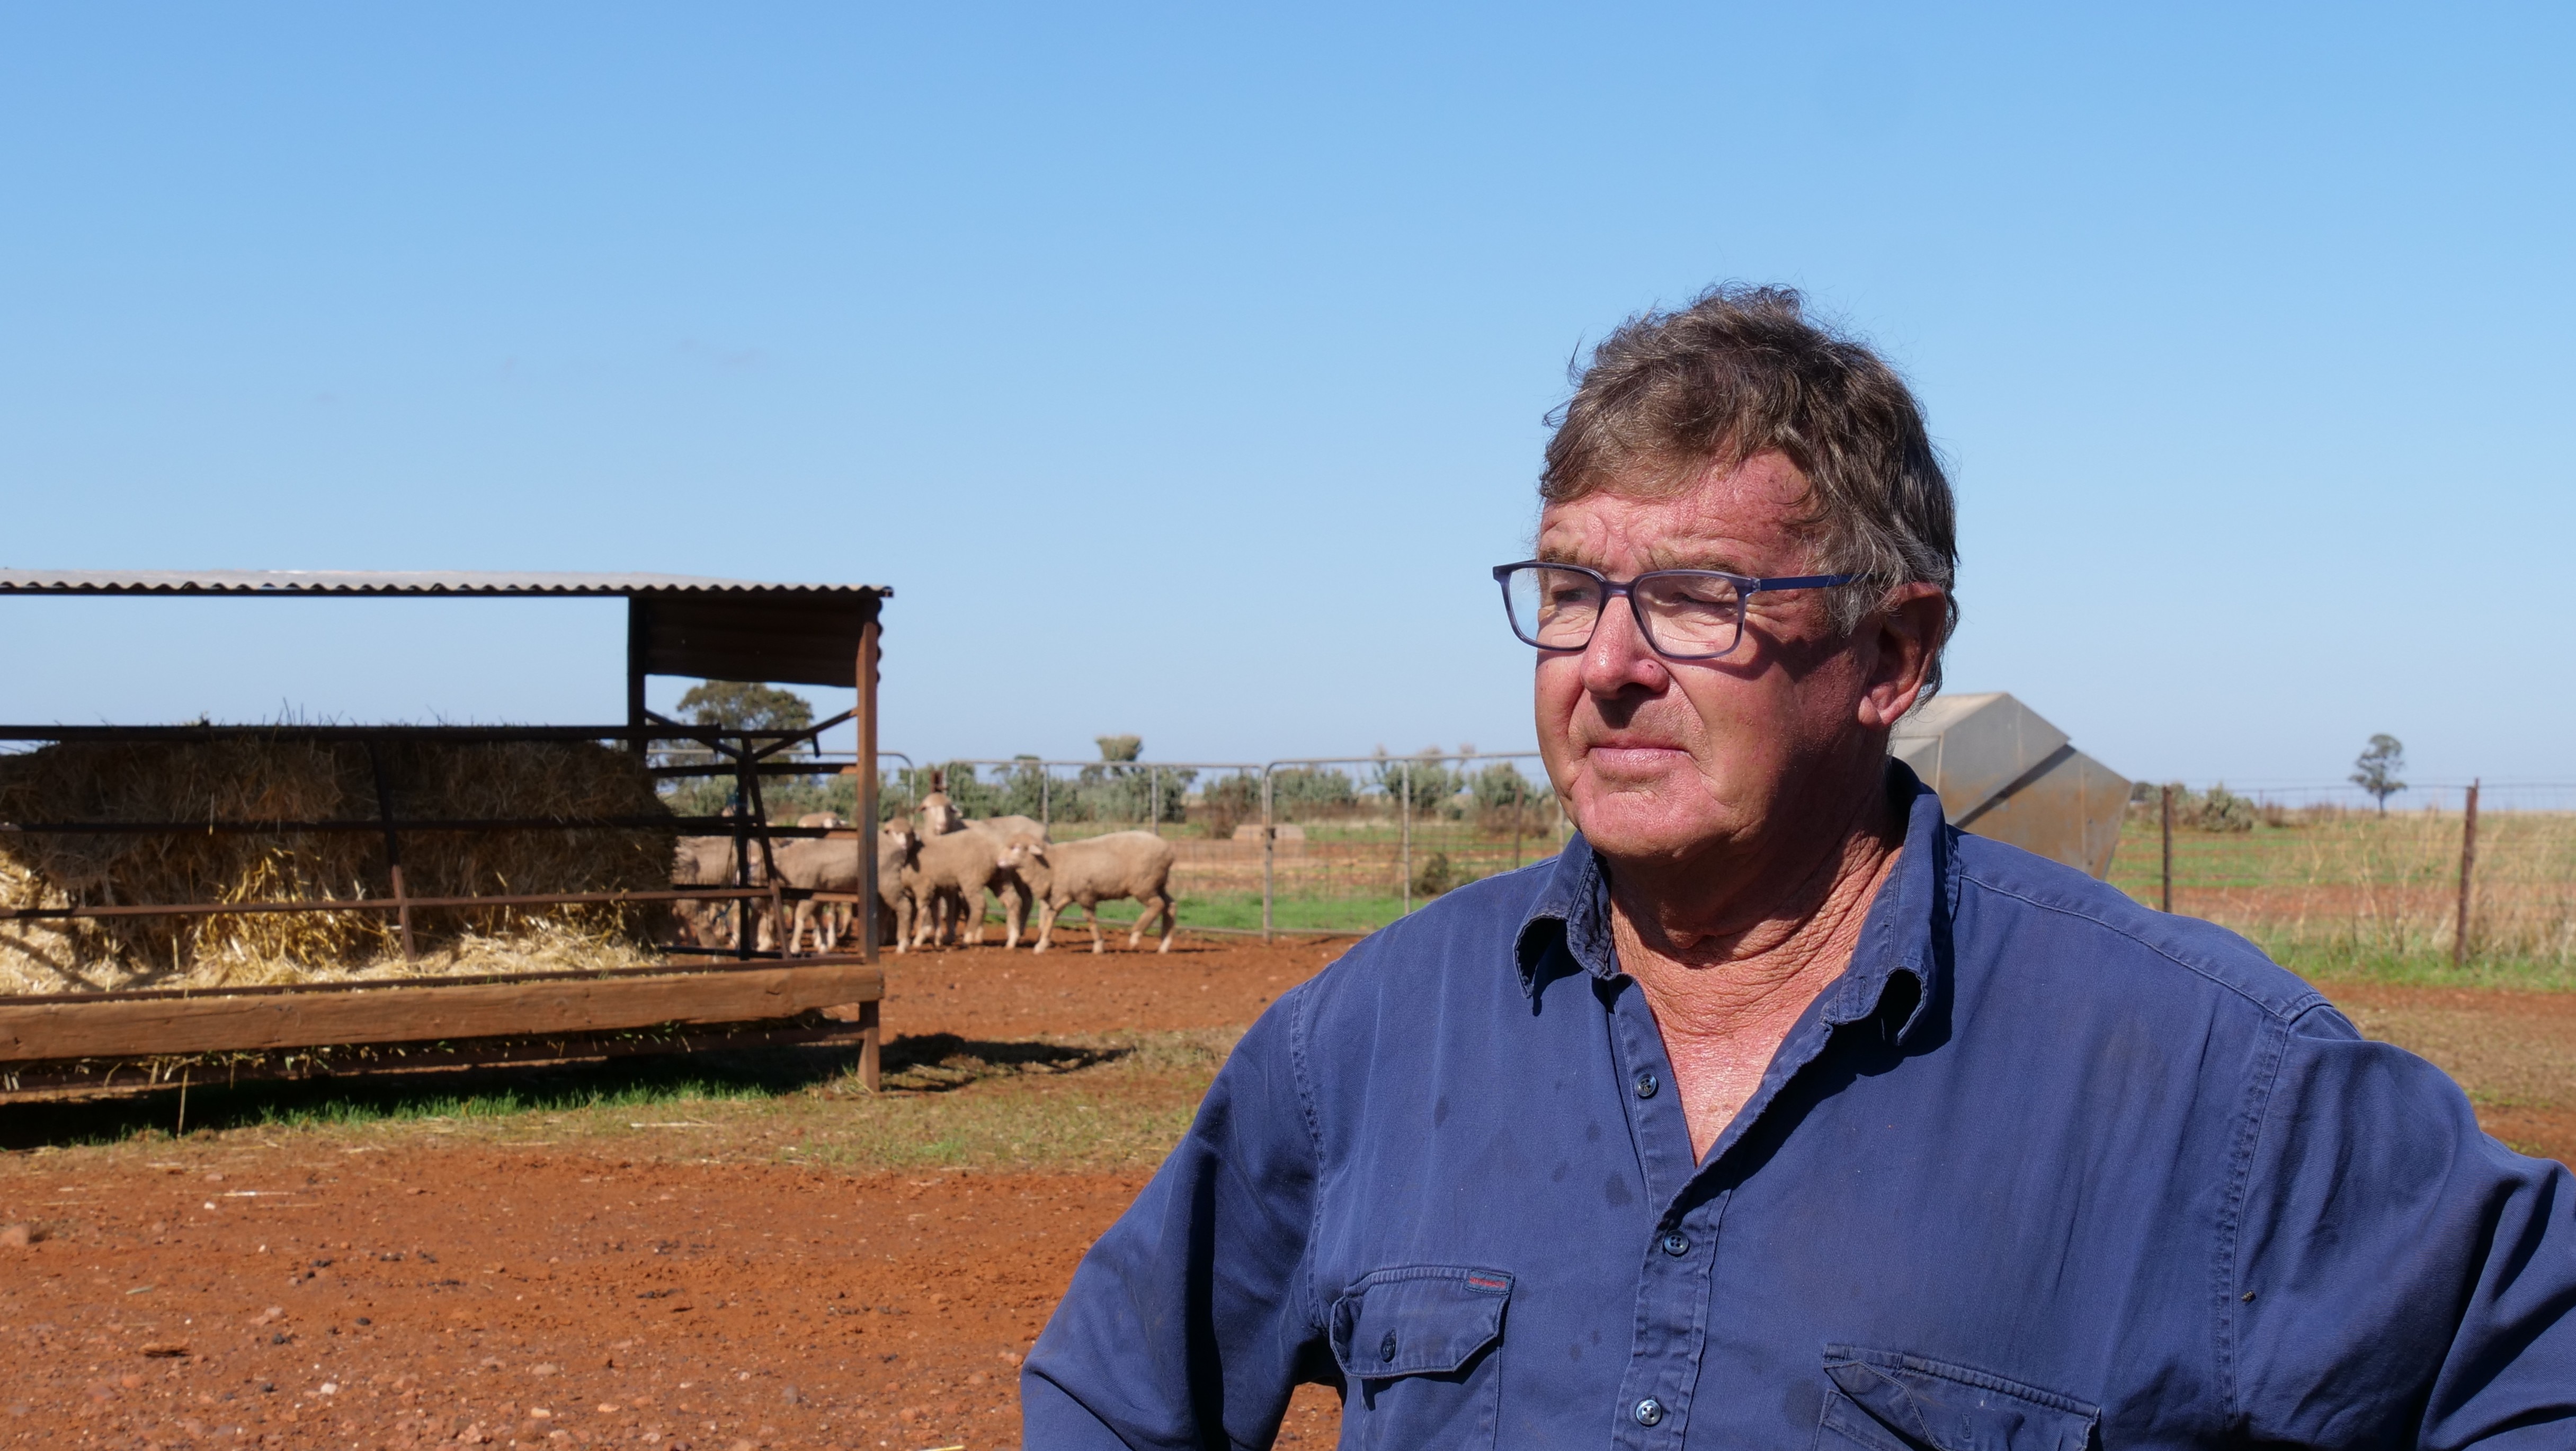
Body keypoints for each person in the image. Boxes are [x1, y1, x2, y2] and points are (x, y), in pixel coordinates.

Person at [1022, 286, 2576, 1448]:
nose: (1608, 664)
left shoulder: (2200, 1083)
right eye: (1571, 589)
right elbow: (1113, 1391)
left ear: (1891, 652)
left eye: (1696, 597)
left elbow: (2530, 1357)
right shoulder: (1362, 1043)